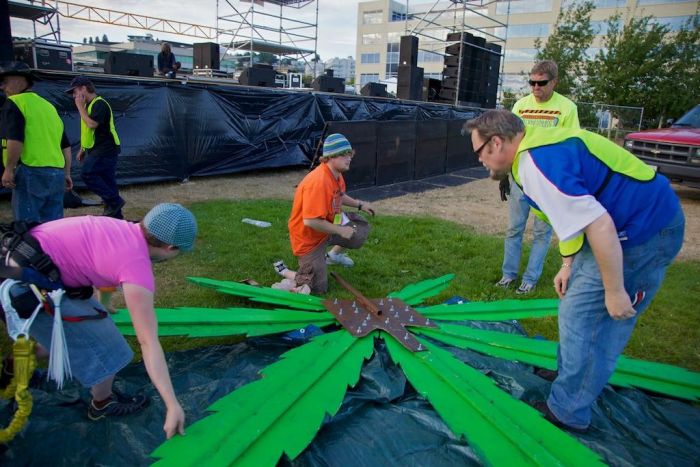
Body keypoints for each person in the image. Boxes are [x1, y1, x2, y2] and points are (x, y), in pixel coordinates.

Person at [466, 109, 684, 432]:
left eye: (478, 151)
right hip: (623, 226)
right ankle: (571, 373)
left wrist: (614, 290)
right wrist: (568, 264)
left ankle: (568, 410)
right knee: (573, 310)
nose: (479, 160)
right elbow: (568, 217)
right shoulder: (530, 155)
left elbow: (599, 224)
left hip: (644, 231)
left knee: (592, 322)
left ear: (496, 143)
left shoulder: (536, 165)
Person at [0, 203, 197, 439]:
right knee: (114, 351)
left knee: (83, 331)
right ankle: (102, 405)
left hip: (17, 259)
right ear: (170, 247)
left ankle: (11, 367)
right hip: (24, 286)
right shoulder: (136, 268)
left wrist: (102, 302)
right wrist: (172, 404)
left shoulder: (122, 228)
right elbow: (148, 342)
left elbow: (96, 262)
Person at [497, 60, 580, 294]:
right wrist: (505, 173)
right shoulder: (521, 105)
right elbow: (509, 139)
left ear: (554, 81)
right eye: (532, 82)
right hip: (520, 179)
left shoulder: (567, 108)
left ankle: (530, 280)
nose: (535, 88)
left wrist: (563, 182)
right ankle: (508, 276)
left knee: (542, 233)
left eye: (541, 83)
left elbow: (572, 144)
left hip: (548, 182)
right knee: (514, 229)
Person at [273, 133, 375, 294]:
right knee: (318, 288)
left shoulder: (336, 174)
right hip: (309, 238)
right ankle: (285, 272)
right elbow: (311, 221)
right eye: (343, 154)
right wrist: (341, 230)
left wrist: (360, 205)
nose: (349, 158)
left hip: (329, 225)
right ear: (331, 156)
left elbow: (339, 195)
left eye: (350, 154)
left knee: (359, 228)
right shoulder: (319, 182)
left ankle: (332, 256)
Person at [0, 61, 73, 223]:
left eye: (5, 82)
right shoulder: (49, 107)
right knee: (53, 226)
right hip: (56, 174)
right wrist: (66, 173)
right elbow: (65, 146)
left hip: (31, 171)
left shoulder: (15, 103)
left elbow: (15, 139)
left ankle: (32, 248)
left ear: (20, 80)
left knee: (28, 226)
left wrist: (9, 169)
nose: (2, 87)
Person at [66, 76, 126, 219]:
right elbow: (88, 131)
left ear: (83, 89)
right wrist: (83, 148)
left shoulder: (99, 104)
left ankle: (114, 201)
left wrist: (80, 107)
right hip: (98, 148)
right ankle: (116, 216)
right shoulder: (90, 106)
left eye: (74, 92)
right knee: (107, 180)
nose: (74, 96)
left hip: (105, 148)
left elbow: (92, 124)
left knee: (88, 174)